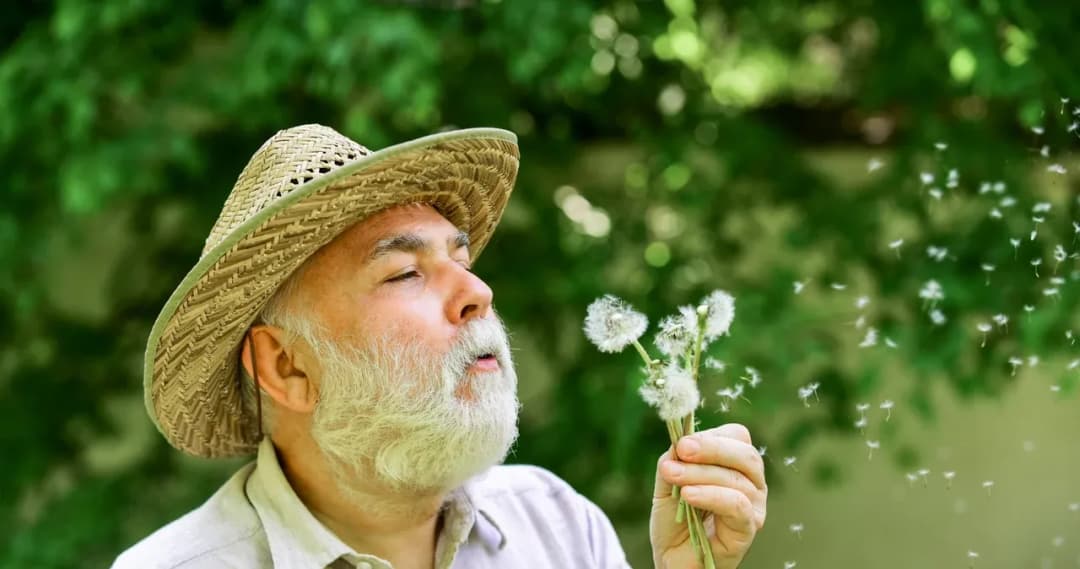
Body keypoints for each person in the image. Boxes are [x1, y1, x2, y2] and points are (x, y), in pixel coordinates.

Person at [113, 125, 767, 569]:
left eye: (462, 258)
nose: (477, 291)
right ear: (286, 365)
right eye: (404, 273)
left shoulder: (559, 525)